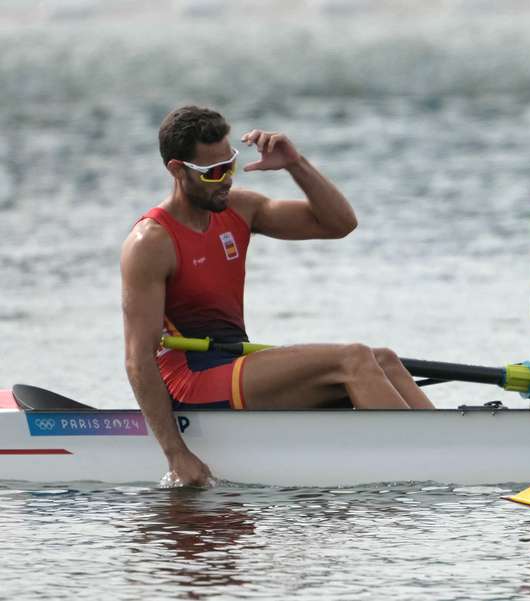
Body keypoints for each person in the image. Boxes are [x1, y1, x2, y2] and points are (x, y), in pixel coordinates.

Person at [121, 106, 434, 486]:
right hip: (192, 378)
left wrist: (295, 163)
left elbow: (340, 224)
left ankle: (454, 450)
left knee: (382, 359)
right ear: (176, 169)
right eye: (213, 173)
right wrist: (176, 453)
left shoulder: (239, 210)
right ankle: (434, 468)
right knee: (353, 359)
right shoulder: (151, 243)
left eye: (231, 166)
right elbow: (138, 359)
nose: (226, 181)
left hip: (233, 360)